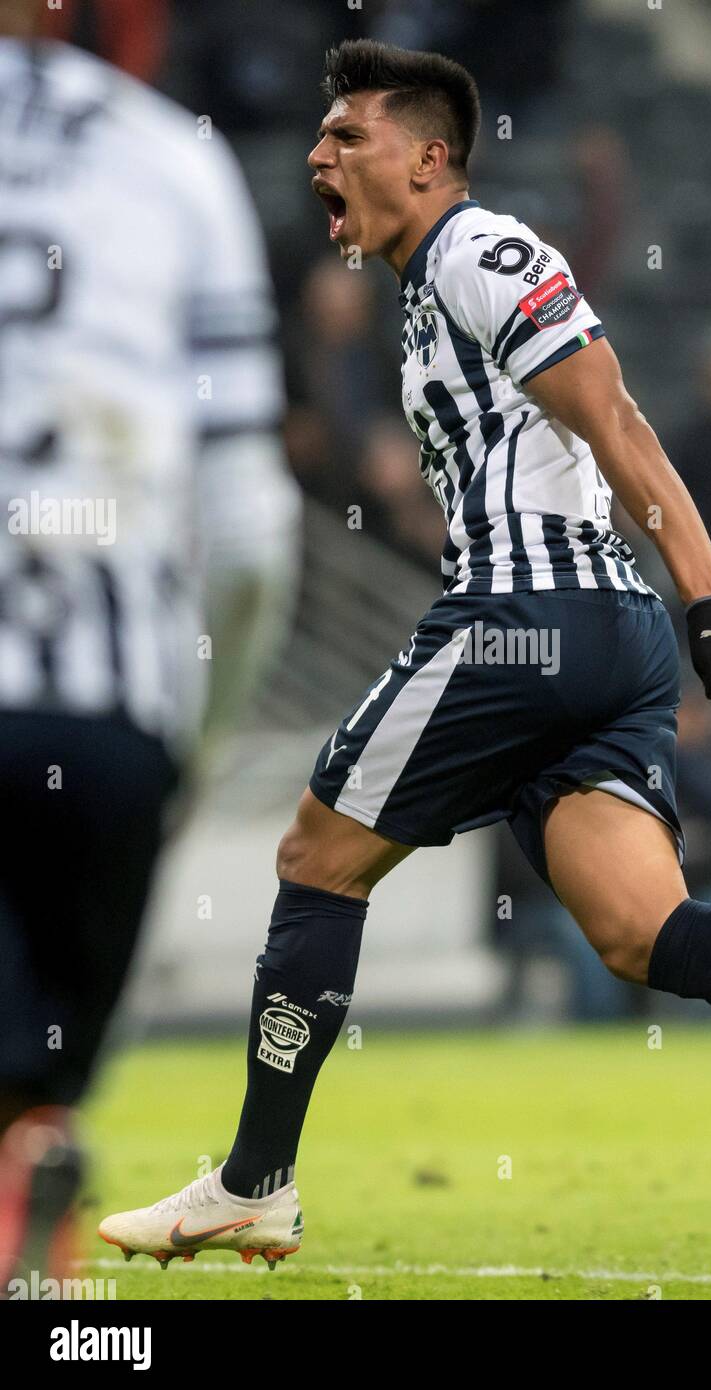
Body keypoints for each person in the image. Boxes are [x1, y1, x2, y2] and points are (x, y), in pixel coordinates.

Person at [100, 39, 711, 1272]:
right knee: (644, 932)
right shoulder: (420, 294)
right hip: (599, 635)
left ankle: (256, 1180)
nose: (317, 154)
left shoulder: (481, 248)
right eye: (316, 135)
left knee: (316, 856)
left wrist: (709, 587)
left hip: (531, 617)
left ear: (429, 159)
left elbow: (613, 408)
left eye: (347, 135)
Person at [0, 0, 299, 1291]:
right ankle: (34, 1192)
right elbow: (246, 541)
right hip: (109, 724)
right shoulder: (177, 162)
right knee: (32, 1083)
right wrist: (197, 739)